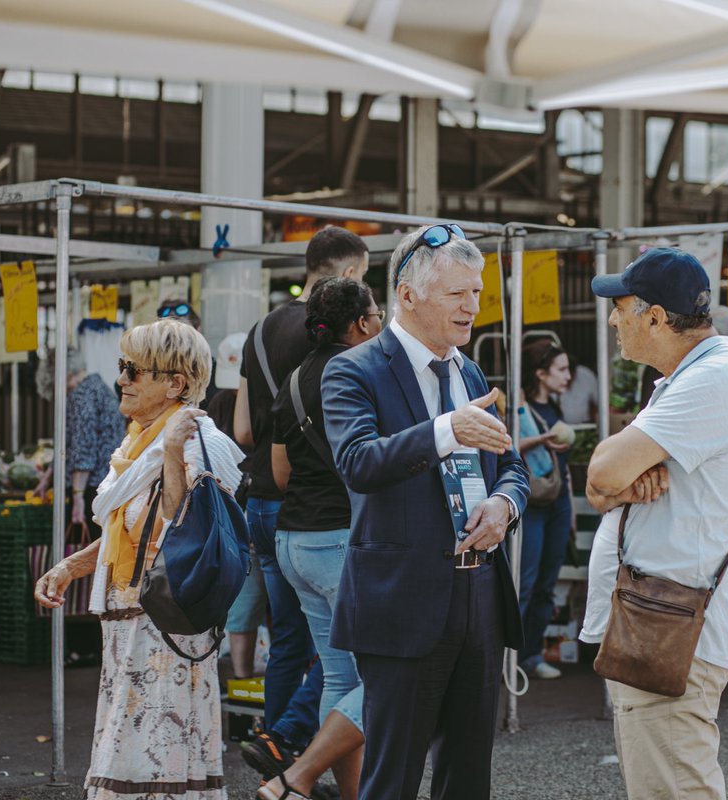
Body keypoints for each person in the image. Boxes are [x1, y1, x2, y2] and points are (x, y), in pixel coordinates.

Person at [321, 224, 529, 800]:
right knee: (393, 777)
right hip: (402, 601)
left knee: (469, 778)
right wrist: (445, 430)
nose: (473, 307)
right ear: (407, 296)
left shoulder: (468, 371)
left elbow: (512, 465)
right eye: (457, 294)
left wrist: (503, 504)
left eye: (478, 292)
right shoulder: (354, 369)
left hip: (478, 596)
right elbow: (358, 462)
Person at [581, 247, 728, 800]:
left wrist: (615, 479)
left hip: (671, 628)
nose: (614, 319)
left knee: (675, 790)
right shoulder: (696, 377)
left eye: (621, 308)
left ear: (657, 317)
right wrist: (613, 483)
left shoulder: (712, 380)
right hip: (660, 620)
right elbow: (602, 486)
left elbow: (602, 469)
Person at [33, 319, 246, 799]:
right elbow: (124, 528)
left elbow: (179, 531)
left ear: (176, 383)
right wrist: (70, 567)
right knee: (131, 750)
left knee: (156, 758)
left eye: (134, 370)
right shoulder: (137, 443)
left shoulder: (195, 441)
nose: (122, 380)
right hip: (130, 628)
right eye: (122, 368)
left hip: (165, 630)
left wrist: (172, 453)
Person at [233, 226, 370, 776]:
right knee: (340, 653)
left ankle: (278, 747)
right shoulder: (343, 343)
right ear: (351, 276)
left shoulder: (262, 328)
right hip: (320, 511)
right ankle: (292, 743)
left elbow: (243, 430)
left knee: (290, 638)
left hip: (265, 505)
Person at [209, 331, 267, 683]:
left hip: (246, 508)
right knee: (249, 602)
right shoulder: (220, 407)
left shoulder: (221, 405)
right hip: (246, 509)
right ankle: (244, 677)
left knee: (253, 599)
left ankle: (248, 678)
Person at [516, 339, 574, 680]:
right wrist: (539, 440)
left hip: (557, 503)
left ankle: (531, 654)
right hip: (530, 502)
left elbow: (562, 466)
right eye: (561, 370)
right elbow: (504, 446)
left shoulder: (556, 409)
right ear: (540, 374)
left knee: (546, 583)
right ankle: (507, 659)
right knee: (524, 582)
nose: (568, 376)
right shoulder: (519, 407)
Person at [35, 348, 128, 539]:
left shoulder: (81, 396)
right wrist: (47, 478)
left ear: (66, 376)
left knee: (84, 552)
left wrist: (77, 497)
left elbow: (82, 447)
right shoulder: (97, 386)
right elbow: (67, 444)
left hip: (91, 488)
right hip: (105, 484)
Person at [558, 354, 598, 426]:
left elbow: (597, 404)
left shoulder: (586, 375)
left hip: (585, 425)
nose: (568, 378)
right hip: (561, 425)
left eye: (571, 375)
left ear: (575, 371)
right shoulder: (554, 377)